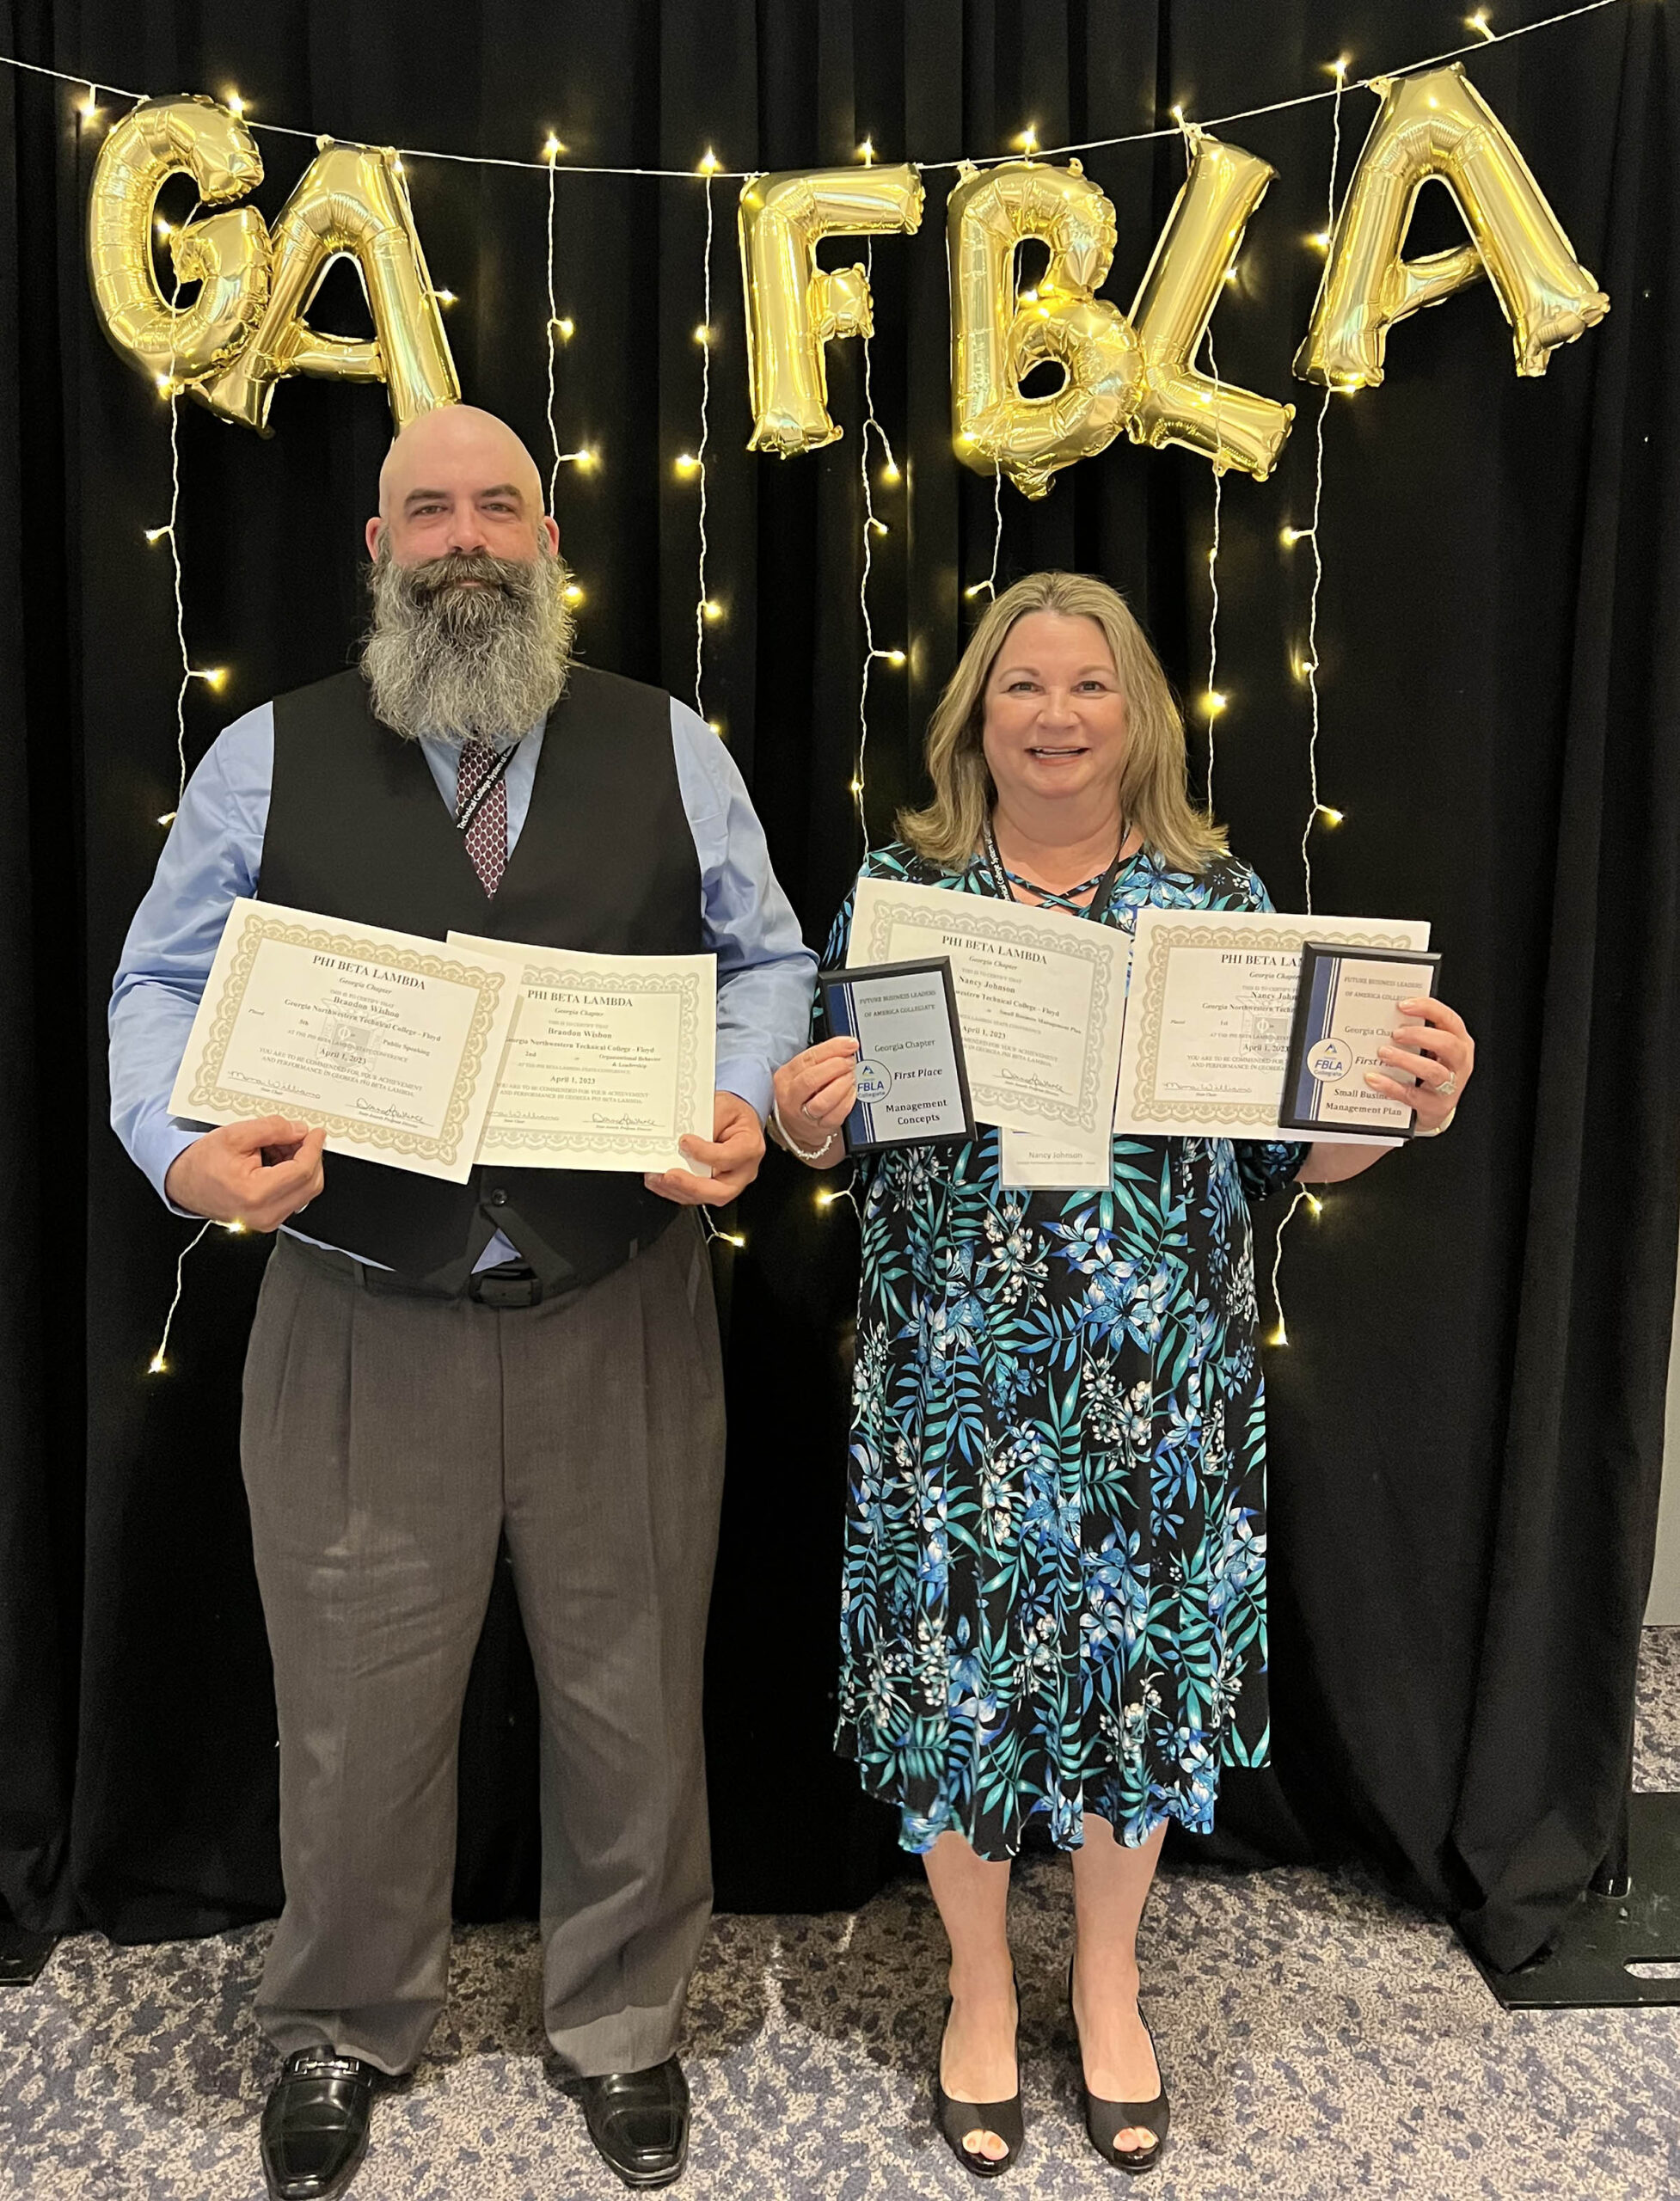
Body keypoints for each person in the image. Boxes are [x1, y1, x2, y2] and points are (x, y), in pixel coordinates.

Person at [108, 404, 815, 2200]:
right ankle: (342, 2019)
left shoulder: (671, 745)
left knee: (632, 1687)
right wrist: (184, 1156)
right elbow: (158, 983)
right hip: (359, 1309)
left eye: (499, 503)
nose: (466, 535)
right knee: (350, 1699)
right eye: (429, 508)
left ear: (551, 541)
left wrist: (740, 1096)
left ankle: (625, 2023)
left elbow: (767, 958)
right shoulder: (265, 756)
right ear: (377, 549)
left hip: (622, 1301)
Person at [770, 571, 1475, 2180]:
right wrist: (814, 1123)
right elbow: (844, 1133)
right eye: (1023, 685)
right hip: (951, 1377)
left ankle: (1102, 1978)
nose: (1058, 714)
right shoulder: (897, 892)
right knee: (955, 1690)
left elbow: (1305, 1154)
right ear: (976, 718)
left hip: (1156, 1387)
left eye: (1090, 686)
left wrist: (1407, 1105)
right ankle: (968, 1986)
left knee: (1127, 1688)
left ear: (1137, 716)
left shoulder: (1218, 909)